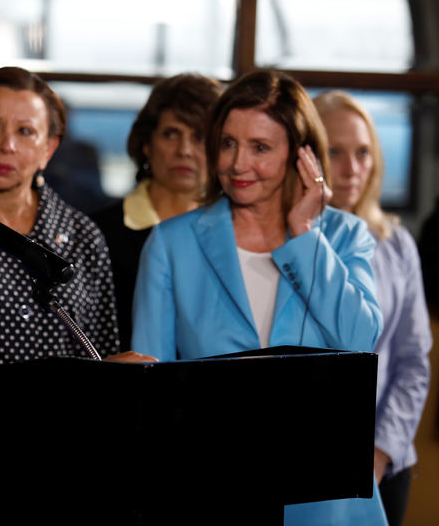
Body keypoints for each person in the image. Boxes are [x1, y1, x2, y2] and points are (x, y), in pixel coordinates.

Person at [131, 70, 387, 525]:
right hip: (212, 494)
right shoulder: (171, 243)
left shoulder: (345, 237)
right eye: (228, 143)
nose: (237, 164)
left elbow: (361, 336)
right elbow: (147, 383)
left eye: (260, 148)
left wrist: (304, 235)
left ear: (301, 155)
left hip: (329, 504)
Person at [0, 66, 147, 368]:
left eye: (25, 131)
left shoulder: (83, 235)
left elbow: (104, 354)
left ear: (49, 147)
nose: (7, 145)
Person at [315, 90, 432, 526]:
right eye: (335, 152)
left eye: (363, 152)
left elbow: (413, 362)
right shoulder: (291, 244)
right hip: (305, 463)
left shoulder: (398, 244)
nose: (352, 169)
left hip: (384, 463)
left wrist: (380, 453)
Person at [91, 73, 223, 349]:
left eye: (199, 137)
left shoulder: (235, 228)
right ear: (147, 145)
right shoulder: (96, 234)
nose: (184, 150)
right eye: (171, 134)